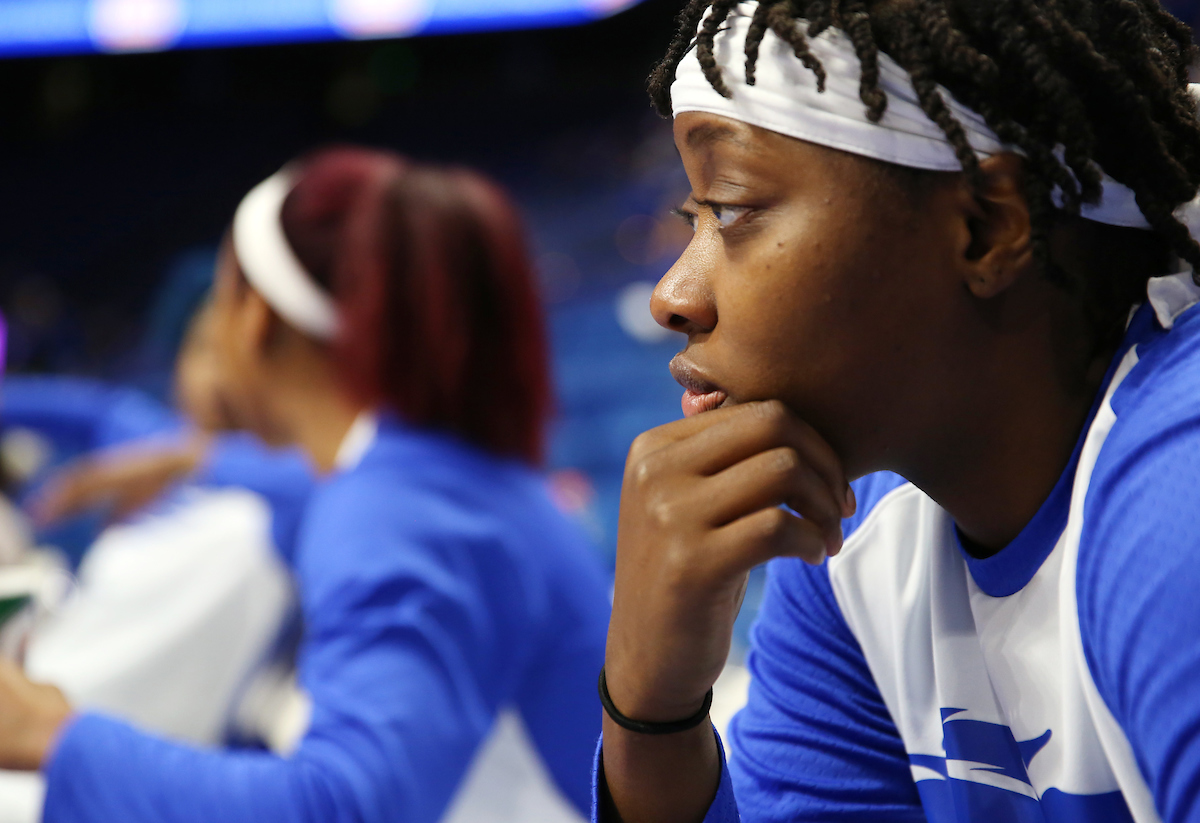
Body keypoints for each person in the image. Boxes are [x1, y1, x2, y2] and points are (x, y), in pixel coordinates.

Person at [596, 2, 1200, 822]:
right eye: (691, 217)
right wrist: (652, 708)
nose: (674, 295)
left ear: (987, 230)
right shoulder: (857, 546)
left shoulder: (1179, 500)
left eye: (731, 208)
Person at [0, 147, 612, 823]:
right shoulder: (426, 475)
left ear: (254, 316)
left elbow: (350, 805)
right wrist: (190, 459)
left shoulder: (397, 508)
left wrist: (55, 736)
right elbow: (304, 486)